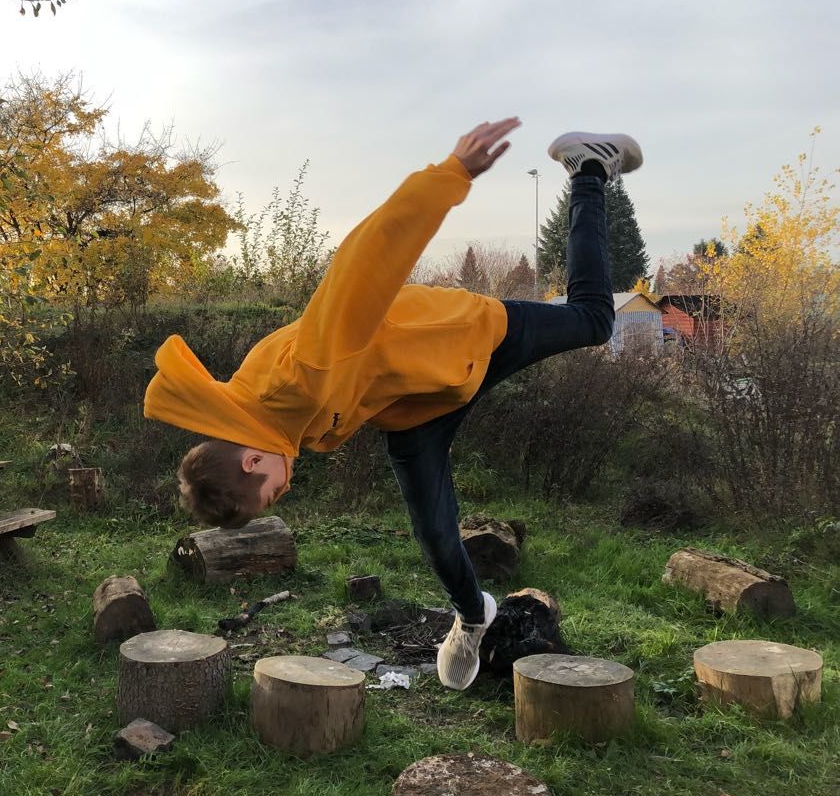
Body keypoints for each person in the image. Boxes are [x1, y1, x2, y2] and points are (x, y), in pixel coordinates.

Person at [143, 119, 643, 690]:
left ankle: (590, 169)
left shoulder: (303, 373)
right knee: (433, 528)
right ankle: (473, 617)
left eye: (275, 490)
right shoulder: (261, 420)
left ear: (252, 461)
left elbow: (365, 259)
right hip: (415, 409)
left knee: (594, 321)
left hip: (464, 341)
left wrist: (450, 175)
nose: (286, 486)